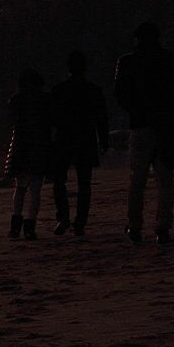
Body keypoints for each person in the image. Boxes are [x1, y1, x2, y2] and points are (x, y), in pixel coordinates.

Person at [114, 22, 174, 244]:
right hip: (167, 126)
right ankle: (162, 226)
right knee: (165, 180)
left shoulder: (127, 62)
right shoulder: (172, 61)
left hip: (140, 125)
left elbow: (120, 94)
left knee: (137, 180)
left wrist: (138, 111)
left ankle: (134, 226)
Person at [50, 50, 110, 236]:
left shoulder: (58, 90)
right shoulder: (94, 90)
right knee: (85, 184)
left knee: (59, 181)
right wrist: (104, 140)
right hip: (86, 138)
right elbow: (102, 118)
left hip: (64, 139)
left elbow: (51, 118)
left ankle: (63, 218)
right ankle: (80, 222)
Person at [5, 69, 51, 240]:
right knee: (35, 190)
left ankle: (15, 226)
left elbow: (11, 121)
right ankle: (30, 226)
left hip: (20, 147)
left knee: (20, 188)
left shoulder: (16, 100)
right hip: (39, 146)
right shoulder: (45, 99)